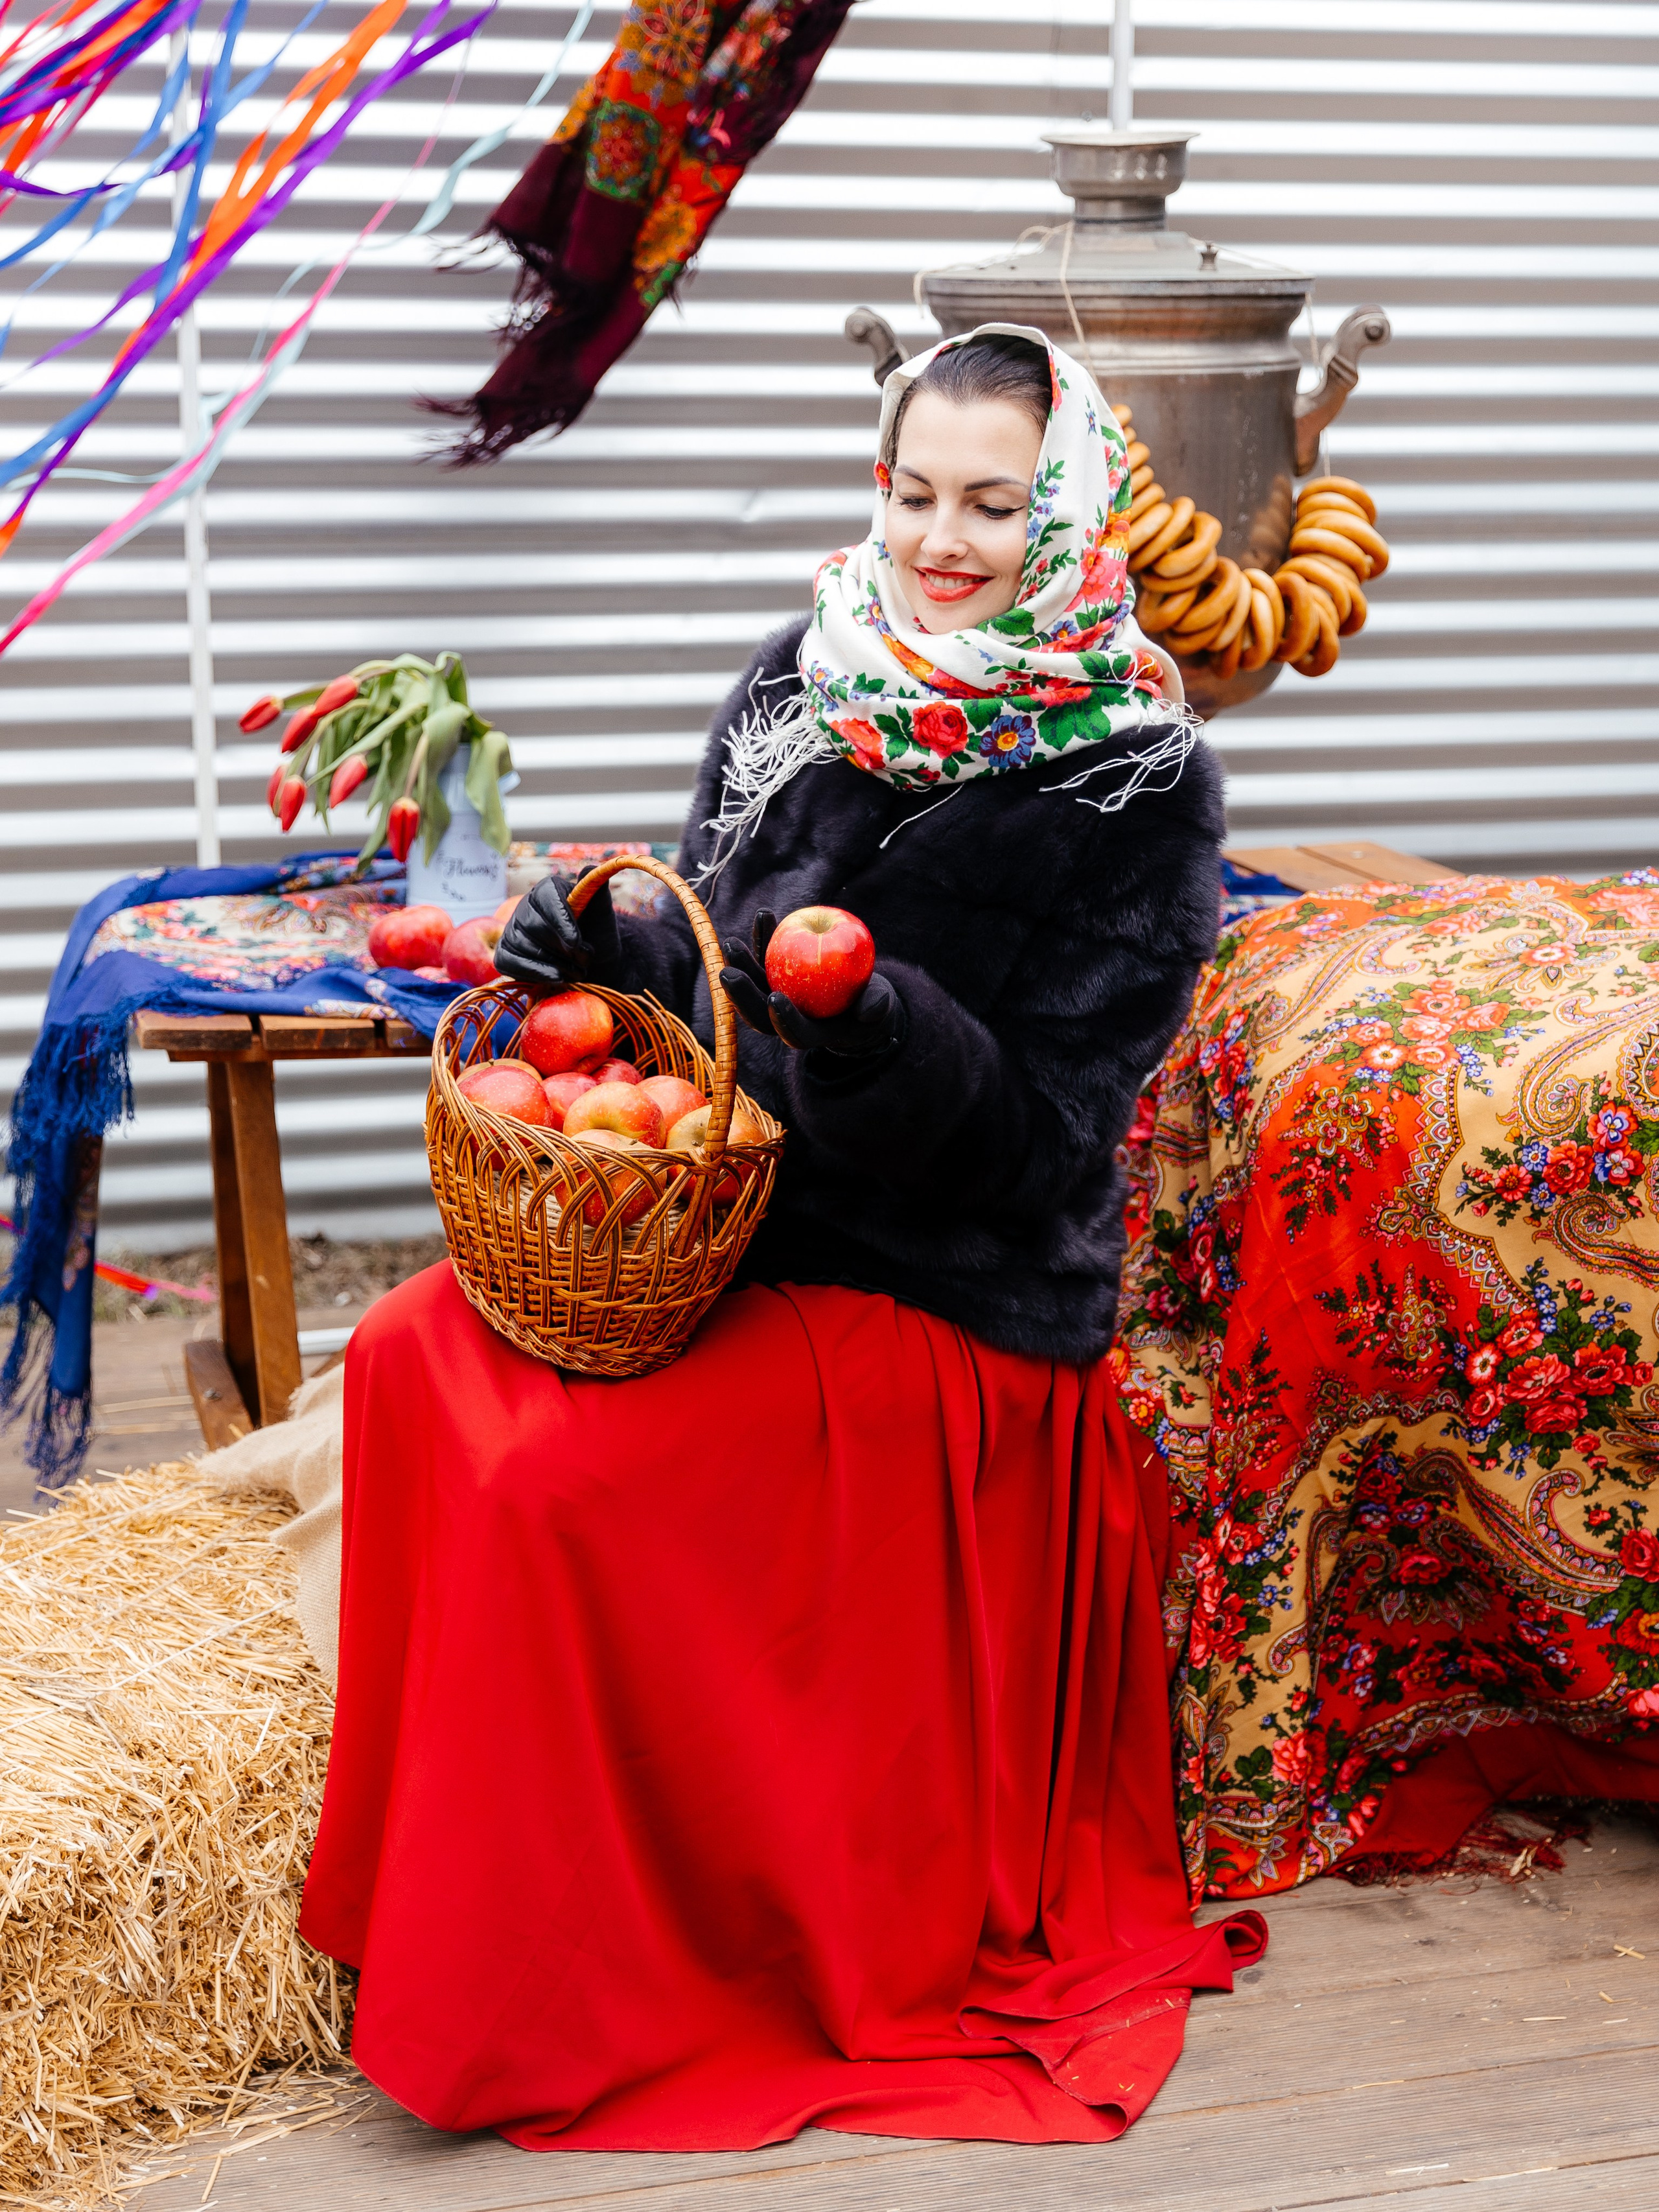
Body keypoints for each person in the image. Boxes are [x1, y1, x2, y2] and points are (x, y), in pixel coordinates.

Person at [299, 323, 1262, 2153]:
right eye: (912, 491)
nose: (939, 541)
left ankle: (578, 1983)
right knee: (414, 1349)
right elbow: (707, 971)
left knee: (552, 1484)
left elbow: (1046, 1141)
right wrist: (592, 952)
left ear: (1070, 516)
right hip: (741, 1225)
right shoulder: (806, 674)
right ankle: (418, 1918)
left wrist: (878, 1027)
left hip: (945, 1302)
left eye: (992, 502)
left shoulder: (1136, 780)